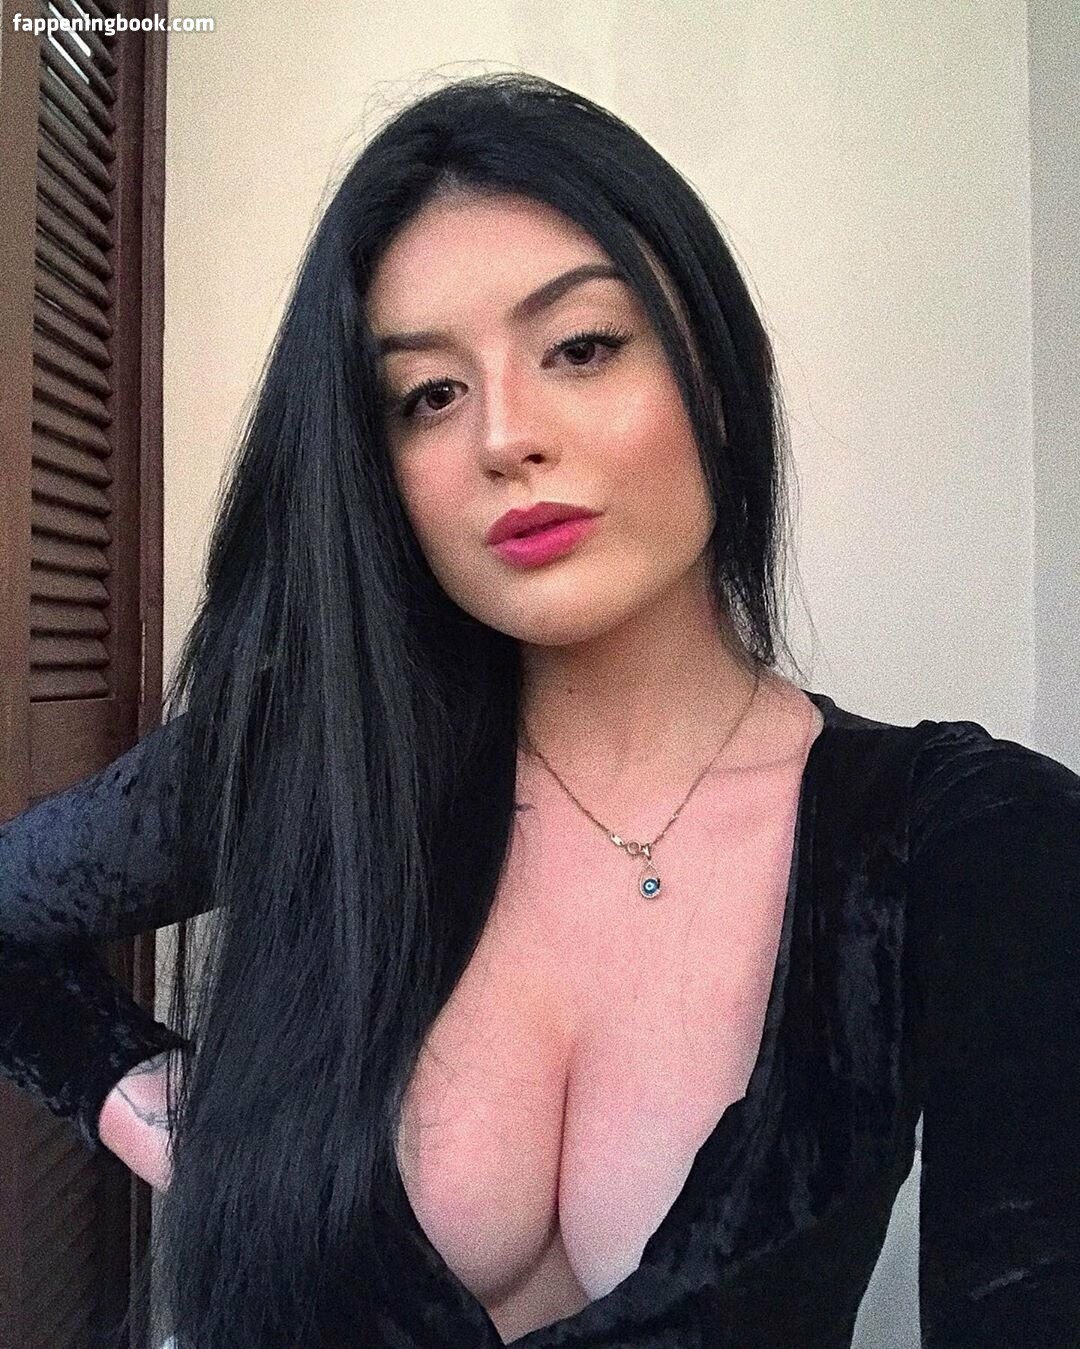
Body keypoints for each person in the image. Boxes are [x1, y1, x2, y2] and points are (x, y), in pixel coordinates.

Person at [1, 71, 1077, 1349]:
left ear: (719, 374)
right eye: (428, 394)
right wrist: (177, 1125)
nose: (504, 437)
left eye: (582, 346)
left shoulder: (971, 843)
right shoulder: (318, 761)